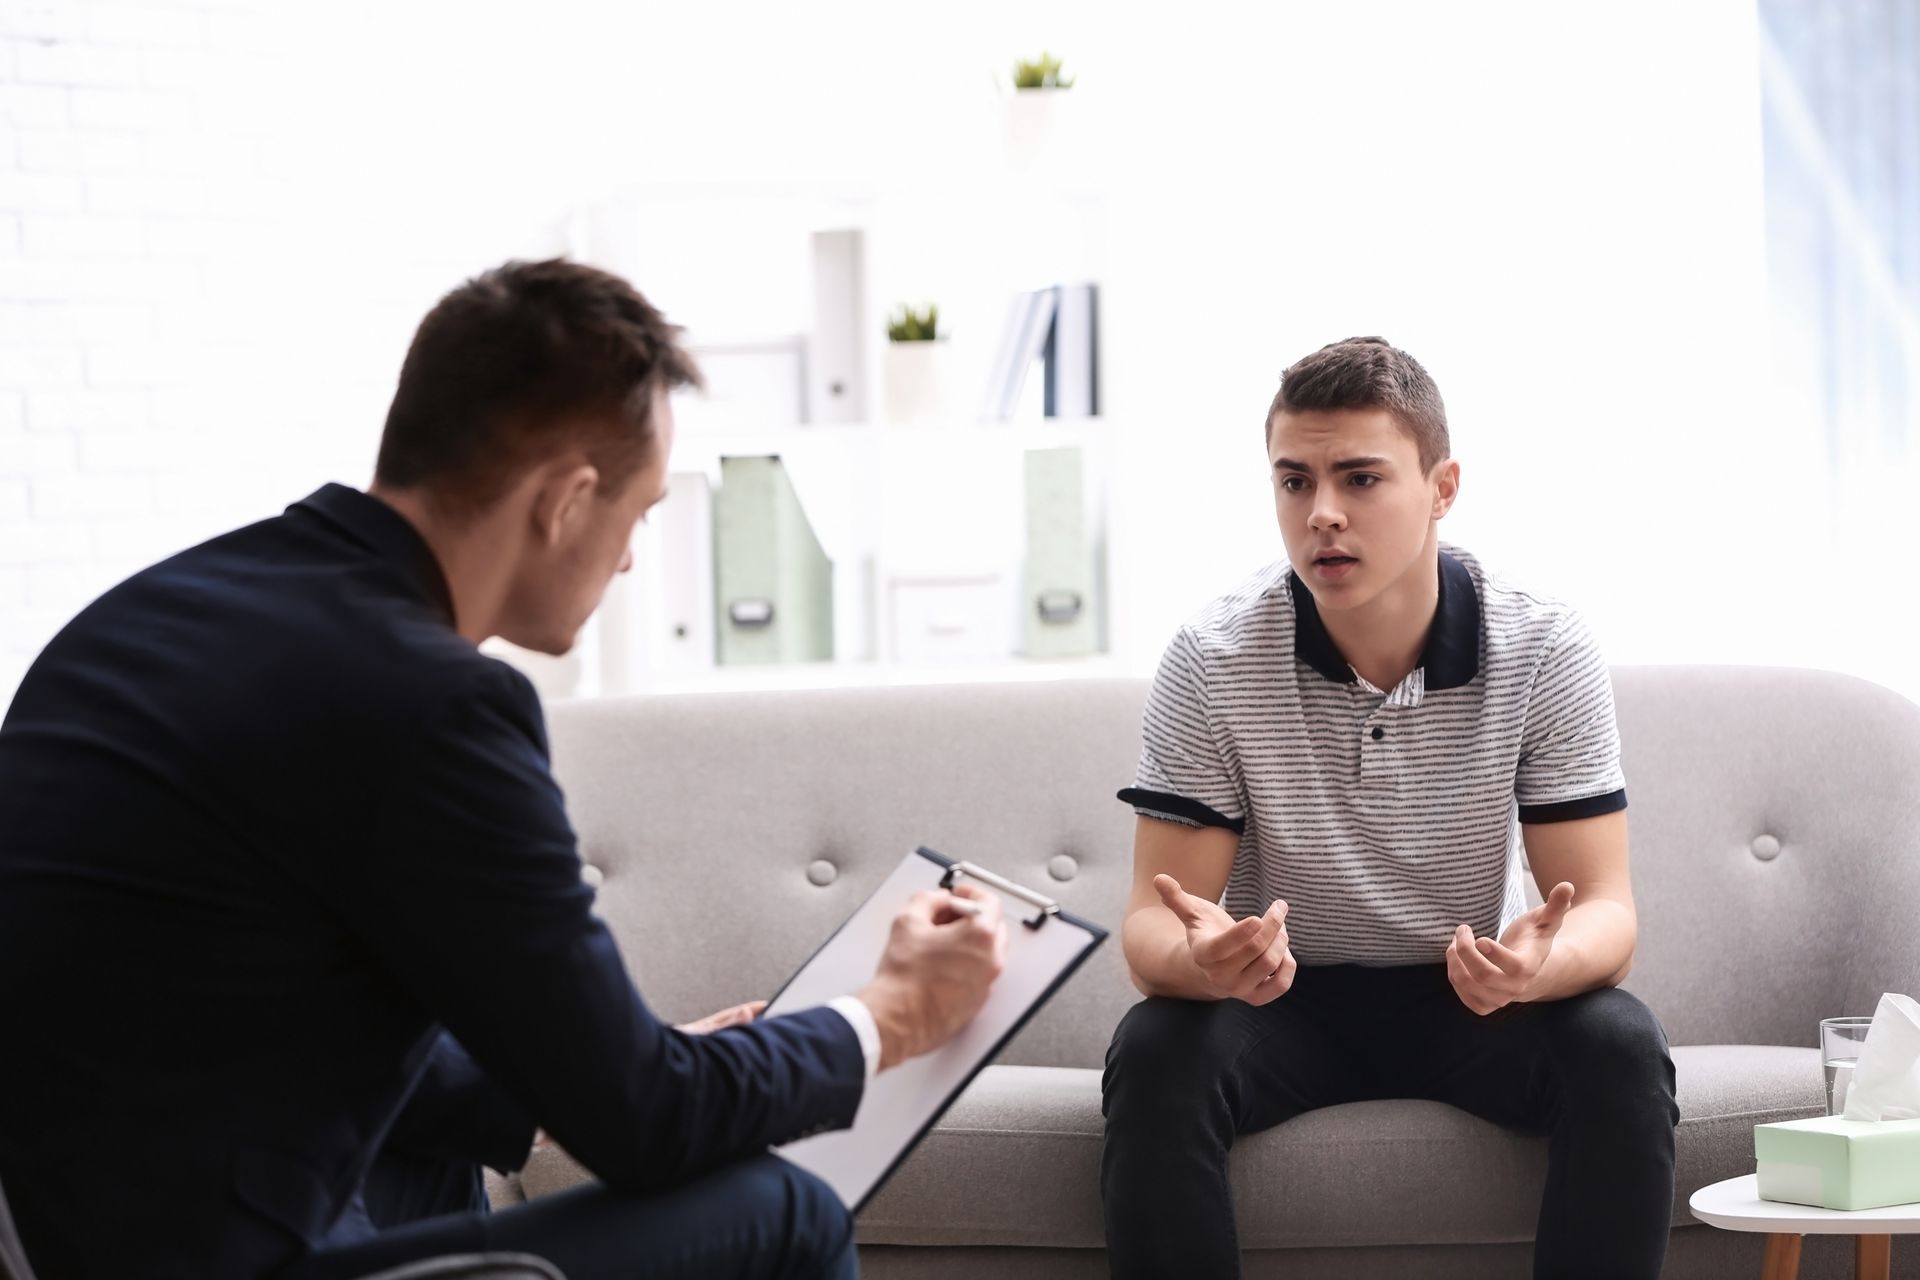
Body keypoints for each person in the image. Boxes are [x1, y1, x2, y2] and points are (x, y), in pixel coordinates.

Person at [0, 259, 1007, 1280]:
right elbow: (650, 1124)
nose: (628, 558)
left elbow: (237, 1007)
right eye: (640, 512)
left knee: (438, 1141)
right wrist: (888, 1017)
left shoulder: (151, 614)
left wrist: (583, 1070)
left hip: (86, 1225)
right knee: (783, 1211)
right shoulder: (432, 703)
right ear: (566, 501)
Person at [1101, 337, 1679, 1279]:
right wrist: (1203, 962)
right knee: (1157, 1047)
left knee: (1618, 1041)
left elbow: (1607, 912)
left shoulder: (1542, 645)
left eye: (1360, 479)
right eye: (1294, 482)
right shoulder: (1214, 657)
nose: (1321, 513)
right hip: (1282, 1000)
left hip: (1471, 996)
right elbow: (1150, 930)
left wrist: (1536, 970)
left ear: (1443, 487)